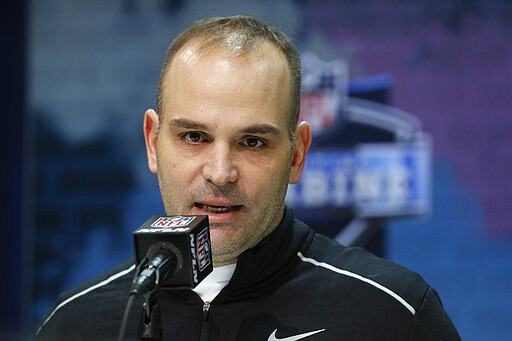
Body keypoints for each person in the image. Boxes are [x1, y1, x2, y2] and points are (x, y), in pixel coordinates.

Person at [35, 15, 460, 340]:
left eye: (253, 142)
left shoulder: (393, 315)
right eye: (194, 136)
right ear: (152, 142)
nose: (220, 173)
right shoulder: (75, 322)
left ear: (297, 155)